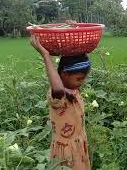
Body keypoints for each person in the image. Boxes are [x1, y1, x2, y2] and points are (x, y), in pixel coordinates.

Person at [30, 36, 91, 169]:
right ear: (63, 74)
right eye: (79, 79)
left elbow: (74, 55)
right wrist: (46, 55)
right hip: (66, 150)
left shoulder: (73, 89)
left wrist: (73, 32)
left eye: (85, 78)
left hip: (79, 145)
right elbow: (58, 87)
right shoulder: (57, 96)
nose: (83, 82)